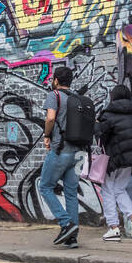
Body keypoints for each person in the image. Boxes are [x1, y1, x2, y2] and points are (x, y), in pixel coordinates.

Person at [38, 65, 83, 248]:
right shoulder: (77, 98)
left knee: (45, 187)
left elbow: (50, 119)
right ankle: (72, 237)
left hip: (61, 150)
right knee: (71, 193)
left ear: (56, 80)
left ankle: (66, 224)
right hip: (78, 153)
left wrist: (47, 136)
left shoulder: (54, 96)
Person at [96, 84, 132, 241]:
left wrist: (95, 125)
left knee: (107, 189)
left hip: (115, 158)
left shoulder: (108, 114)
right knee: (119, 189)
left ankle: (113, 228)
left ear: (113, 97)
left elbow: (101, 136)